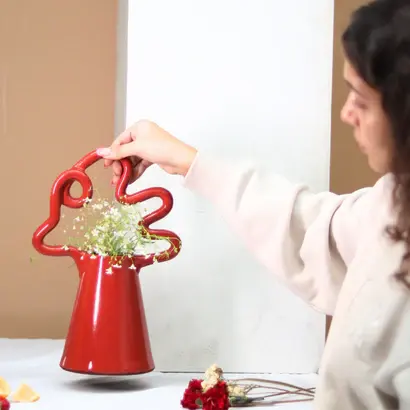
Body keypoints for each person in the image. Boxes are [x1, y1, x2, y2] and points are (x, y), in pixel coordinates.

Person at [96, 0, 410, 408]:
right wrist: (188, 161)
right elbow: (315, 229)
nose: (346, 114)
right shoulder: (393, 202)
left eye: (362, 100)